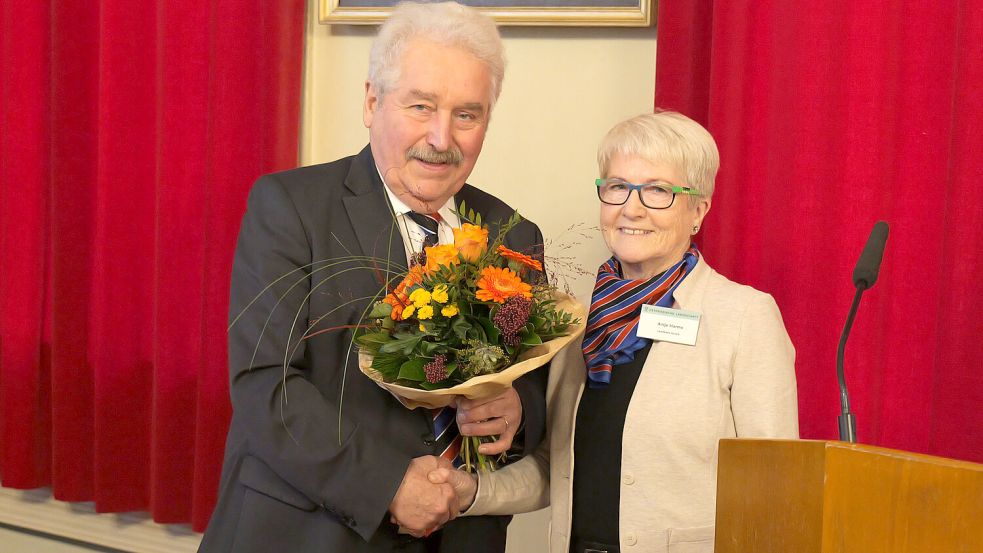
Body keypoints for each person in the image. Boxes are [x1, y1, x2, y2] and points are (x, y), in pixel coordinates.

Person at [198, 3, 547, 552]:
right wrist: (386, 485)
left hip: (461, 537)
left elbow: (530, 378)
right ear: (371, 101)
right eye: (421, 105)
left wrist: (518, 406)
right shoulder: (291, 207)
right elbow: (266, 385)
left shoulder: (513, 234)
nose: (441, 137)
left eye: (467, 114)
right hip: (308, 533)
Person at [434, 111, 799, 553]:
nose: (632, 208)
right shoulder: (577, 326)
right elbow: (557, 468)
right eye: (618, 187)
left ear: (698, 209)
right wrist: (468, 492)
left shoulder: (743, 317)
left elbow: (776, 489)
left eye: (659, 191)